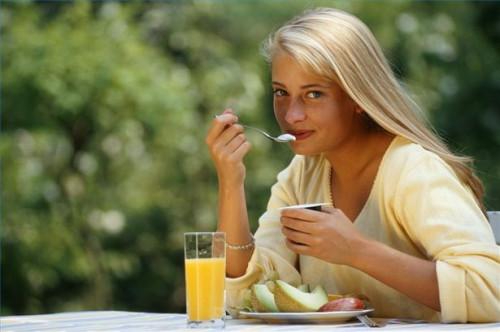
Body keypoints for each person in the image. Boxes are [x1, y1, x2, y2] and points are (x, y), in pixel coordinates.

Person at [205, 8, 499, 323]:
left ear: (358, 96)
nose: (291, 115)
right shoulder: (301, 175)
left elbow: (490, 291)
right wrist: (231, 182)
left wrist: (357, 251)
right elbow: (251, 295)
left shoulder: (413, 170)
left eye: (314, 94)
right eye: (281, 93)